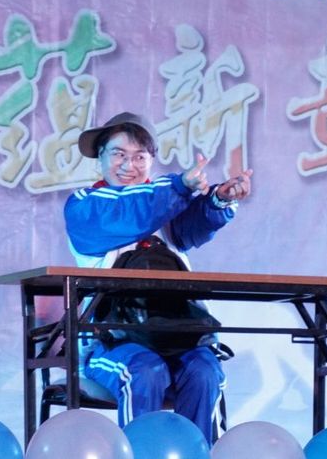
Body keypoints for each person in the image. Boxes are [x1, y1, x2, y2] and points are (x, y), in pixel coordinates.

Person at [63, 111, 252, 444]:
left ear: (151, 161)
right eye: (118, 154)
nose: (129, 165)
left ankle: (198, 453)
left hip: (177, 337)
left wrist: (220, 198)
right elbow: (133, 211)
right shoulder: (85, 205)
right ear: (100, 157)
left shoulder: (165, 209)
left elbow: (195, 221)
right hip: (113, 342)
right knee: (144, 371)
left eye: (140, 157)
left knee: (205, 371)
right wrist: (178, 187)